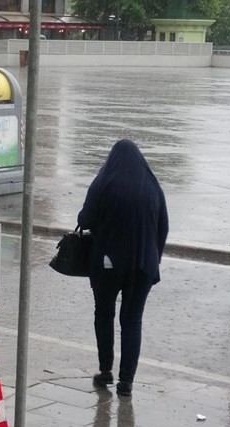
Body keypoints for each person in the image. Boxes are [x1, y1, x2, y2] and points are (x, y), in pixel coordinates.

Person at [77, 139, 169, 396]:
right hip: (143, 265)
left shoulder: (104, 182)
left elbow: (84, 219)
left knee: (104, 314)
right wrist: (153, 258)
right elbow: (163, 227)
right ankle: (126, 382)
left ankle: (106, 370)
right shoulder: (153, 186)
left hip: (108, 262)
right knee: (132, 321)